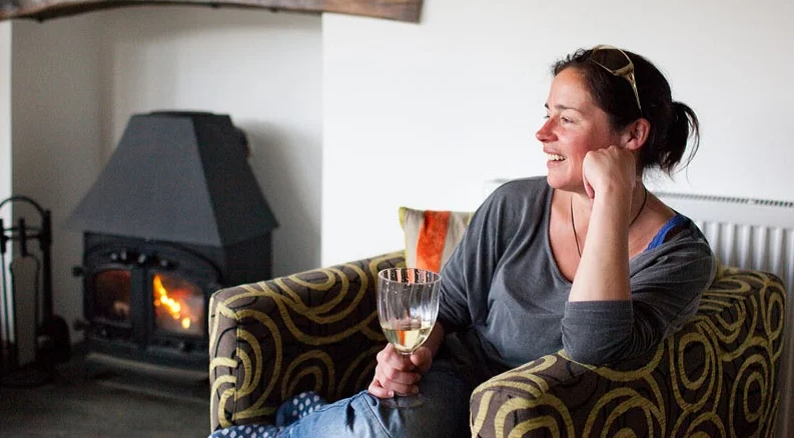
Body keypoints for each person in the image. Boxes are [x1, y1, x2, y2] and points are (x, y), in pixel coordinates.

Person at [212, 45, 716, 438]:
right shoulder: (515, 203)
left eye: (566, 119)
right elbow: (447, 308)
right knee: (386, 426)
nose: (542, 133)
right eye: (546, 113)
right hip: (459, 383)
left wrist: (609, 198)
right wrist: (414, 356)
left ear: (632, 136)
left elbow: (593, 348)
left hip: (549, 416)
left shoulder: (680, 255)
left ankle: (316, 416)